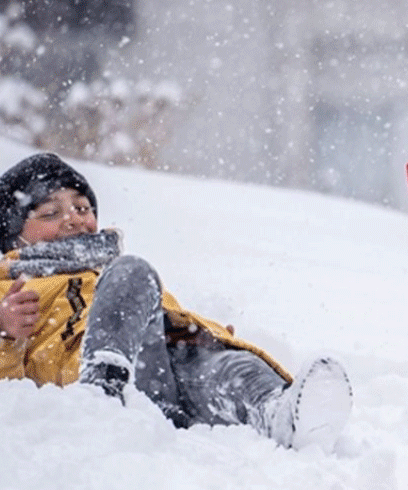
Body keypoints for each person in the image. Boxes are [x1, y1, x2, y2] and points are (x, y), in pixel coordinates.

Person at [0, 152, 351, 449]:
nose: (73, 218)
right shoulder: (10, 288)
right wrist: (5, 333)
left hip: (159, 371)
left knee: (227, 367)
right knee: (132, 272)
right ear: (12, 234)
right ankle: (103, 390)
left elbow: (166, 314)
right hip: (93, 381)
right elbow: (12, 400)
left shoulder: (108, 272)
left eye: (83, 207)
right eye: (50, 213)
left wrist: (206, 333)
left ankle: (279, 412)